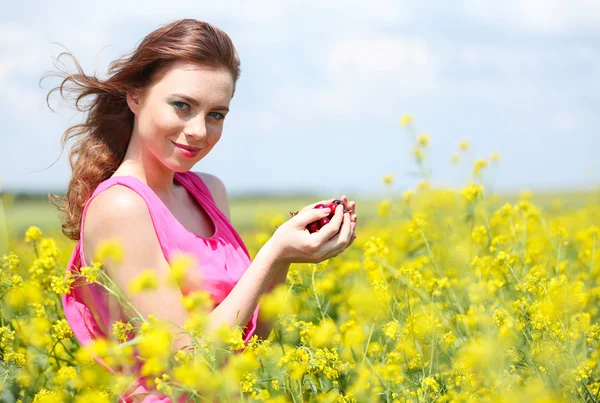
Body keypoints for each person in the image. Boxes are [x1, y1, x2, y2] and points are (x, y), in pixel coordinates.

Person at [47, 19, 357, 402]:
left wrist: (285, 259)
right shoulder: (121, 206)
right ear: (135, 97)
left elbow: (248, 340)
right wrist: (273, 251)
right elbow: (189, 363)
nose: (198, 131)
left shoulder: (208, 190)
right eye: (182, 106)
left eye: (216, 114)